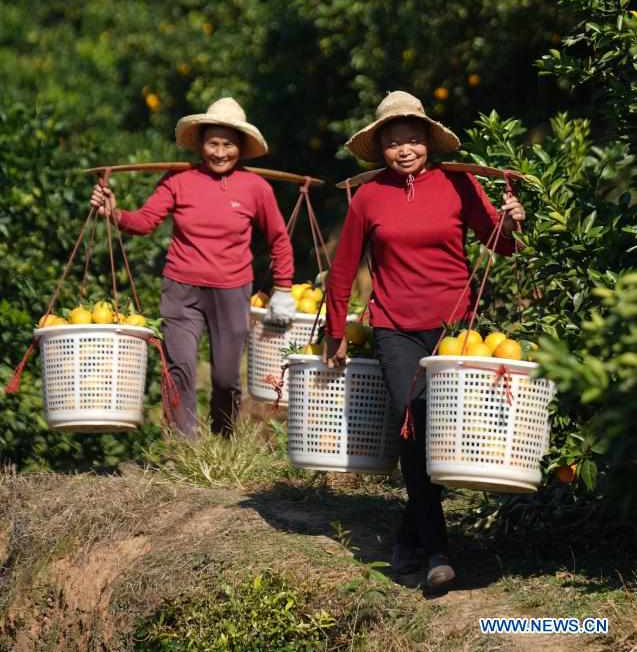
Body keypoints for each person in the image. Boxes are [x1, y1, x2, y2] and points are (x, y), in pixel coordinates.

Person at [322, 91, 525, 591]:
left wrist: (513, 219)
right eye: (393, 142)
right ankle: (438, 550)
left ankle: (408, 532)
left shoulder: (458, 185)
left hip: (455, 329)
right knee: (413, 425)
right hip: (394, 326)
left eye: (413, 139)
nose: (404, 149)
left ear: (428, 142)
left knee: (444, 432)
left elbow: (501, 244)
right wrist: (335, 334)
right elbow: (343, 268)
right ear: (381, 149)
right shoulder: (369, 197)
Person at [90, 97, 296, 437]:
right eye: (212, 143)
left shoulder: (256, 188)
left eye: (228, 145)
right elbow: (144, 222)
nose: (219, 152)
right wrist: (114, 213)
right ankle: (185, 443)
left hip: (232, 290)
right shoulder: (178, 180)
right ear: (200, 144)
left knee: (226, 377)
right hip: (181, 289)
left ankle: (223, 439)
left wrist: (284, 289)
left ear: (240, 148)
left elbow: (279, 239)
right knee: (180, 368)